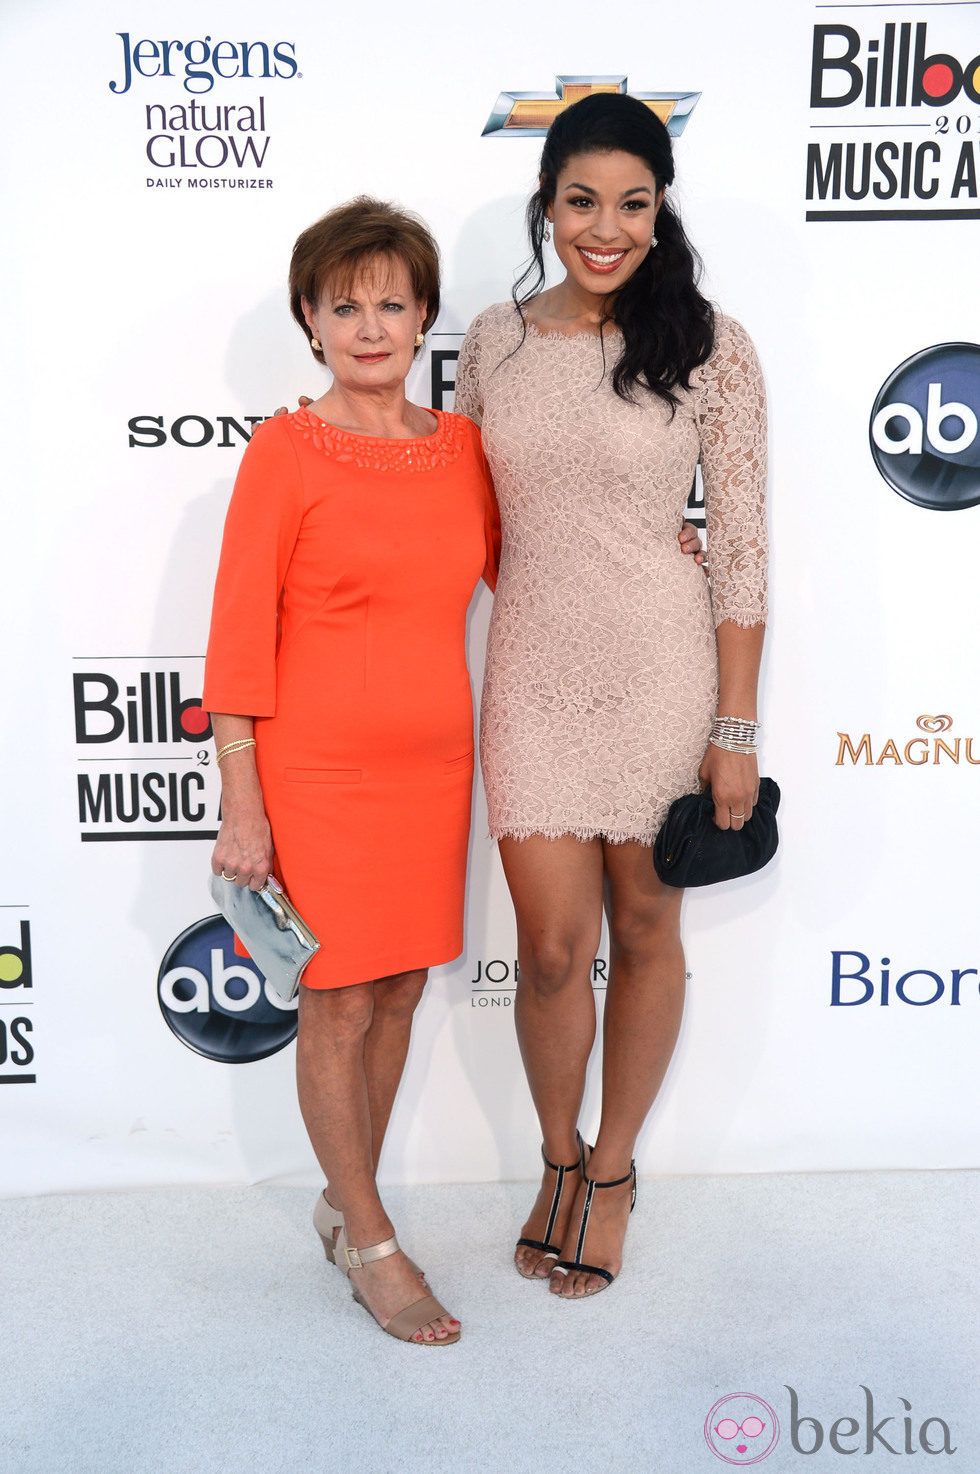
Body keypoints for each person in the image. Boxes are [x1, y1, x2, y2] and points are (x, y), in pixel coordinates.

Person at [453, 92, 768, 1298]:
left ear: (657, 210)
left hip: (660, 671)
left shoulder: (711, 343)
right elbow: (464, 517)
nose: (604, 227)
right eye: (580, 200)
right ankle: (557, 1155)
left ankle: (617, 1170)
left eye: (631, 203)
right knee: (546, 948)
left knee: (644, 929)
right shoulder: (494, 340)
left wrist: (731, 728)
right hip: (531, 670)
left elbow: (739, 550)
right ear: (546, 203)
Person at [202, 197, 502, 1345]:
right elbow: (235, 642)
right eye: (344, 304)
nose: (369, 325)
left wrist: (660, 546)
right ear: (311, 319)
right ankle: (373, 1239)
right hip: (315, 774)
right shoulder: (282, 452)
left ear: (424, 314)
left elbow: (529, 571)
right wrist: (244, 804)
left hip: (433, 769)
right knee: (334, 1001)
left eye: (391, 301)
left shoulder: (463, 451)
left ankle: (345, 1203)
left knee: (399, 989)